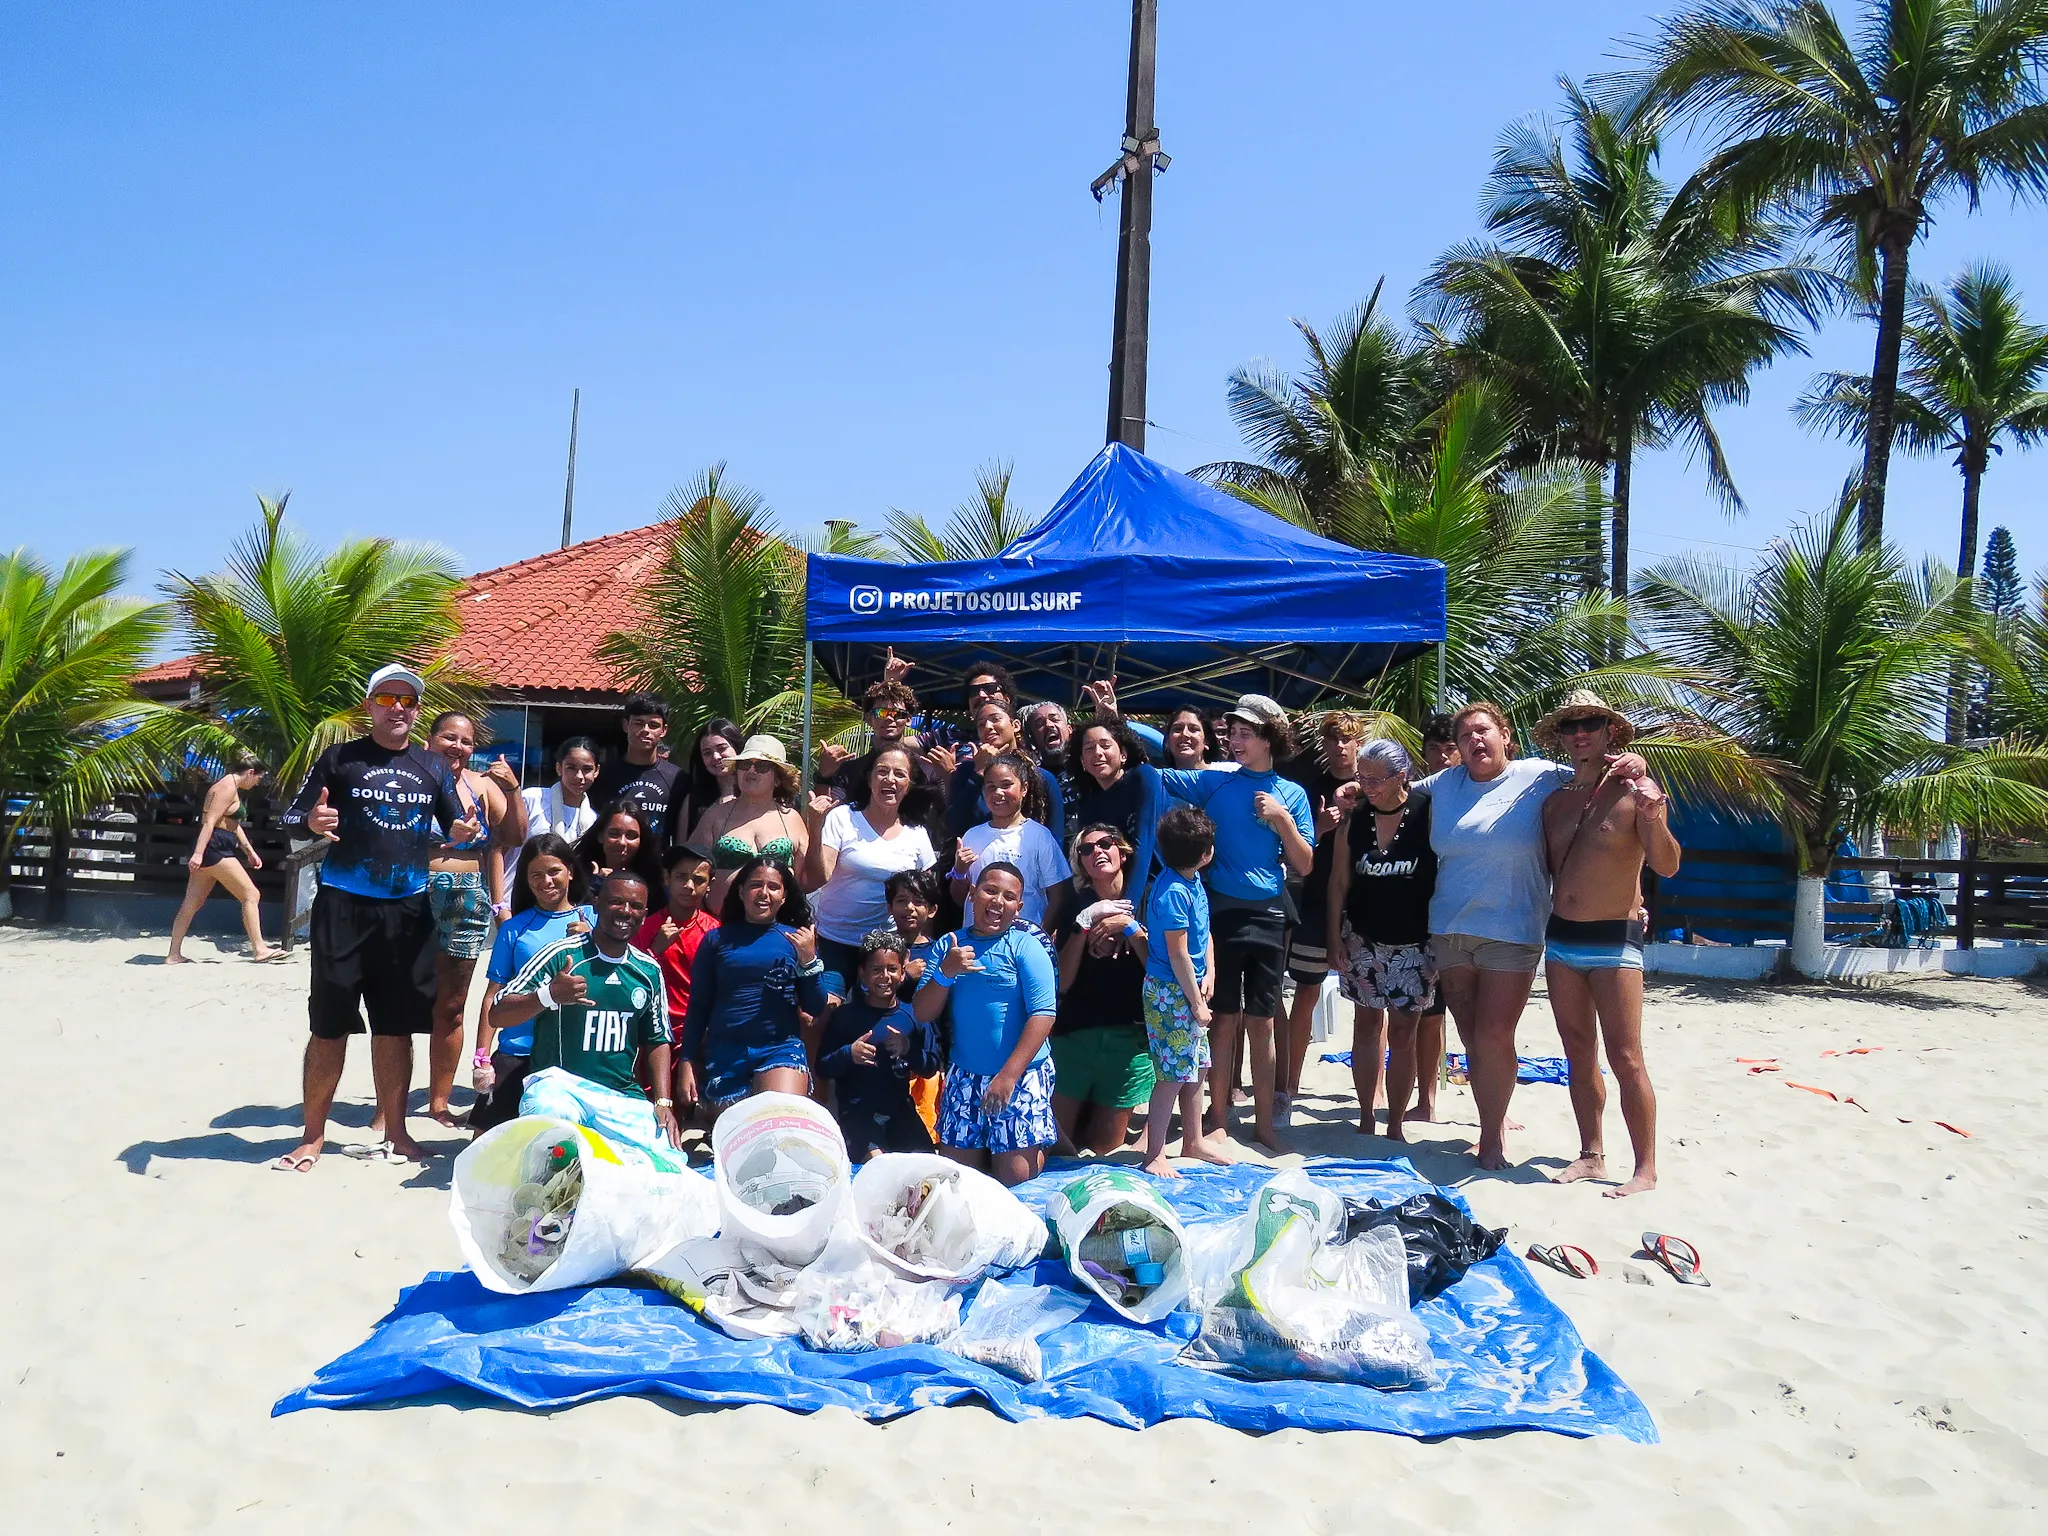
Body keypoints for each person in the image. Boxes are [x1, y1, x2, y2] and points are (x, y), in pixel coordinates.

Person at [1418, 701, 1645, 1171]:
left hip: (1515, 927)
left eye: (1483, 731)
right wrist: (1359, 786)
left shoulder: (1541, 774)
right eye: (1464, 737)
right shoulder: (1444, 784)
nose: (1474, 741)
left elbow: (1597, 772)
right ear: (1456, 749)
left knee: (1496, 1034)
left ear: (1505, 735)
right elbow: (1394, 793)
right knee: (1471, 1036)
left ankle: (1492, 1140)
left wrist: (1637, 764)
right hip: (1450, 927)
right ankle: (1493, 1120)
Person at [273, 663, 479, 1170]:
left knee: (396, 1026)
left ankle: (400, 1133)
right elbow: (290, 818)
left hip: (409, 910)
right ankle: (313, 1136)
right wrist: (311, 820)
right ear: (369, 706)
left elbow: (455, 825)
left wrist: (465, 831)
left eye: (408, 701)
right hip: (344, 906)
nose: (398, 709)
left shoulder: (431, 766)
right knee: (329, 1025)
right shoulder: (340, 759)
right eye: (387, 699)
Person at [1535, 692, 1680, 1198]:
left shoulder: (1637, 790)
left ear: (1609, 732)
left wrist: (1655, 815)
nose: (1581, 732)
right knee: (1578, 1053)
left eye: (1591, 723)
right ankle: (1591, 1153)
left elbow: (1667, 864)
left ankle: (1646, 1168)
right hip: (1562, 940)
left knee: (1627, 1057)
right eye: (1571, 724)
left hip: (1615, 940)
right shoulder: (1554, 799)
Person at [1160, 693, 1314, 1153]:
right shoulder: (1215, 783)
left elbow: (1304, 864)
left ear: (1270, 738)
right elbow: (1154, 762)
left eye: (1247, 733)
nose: (1235, 740)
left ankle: (1265, 1123)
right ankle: (1220, 1117)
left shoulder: (1292, 794)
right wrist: (1113, 719)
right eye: (1232, 732)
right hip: (1221, 912)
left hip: (1268, 913)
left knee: (1263, 1022)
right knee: (1223, 1020)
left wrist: (1282, 820)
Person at [489, 871, 680, 1155]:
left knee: (668, 1158)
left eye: (635, 906)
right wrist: (549, 995)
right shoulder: (561, 955)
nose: (626, 912)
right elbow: (497, 1013)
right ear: (597, 903)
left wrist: (663, 1103)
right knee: (554, 1133)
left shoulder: (648, 970)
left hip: (618, 1096)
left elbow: (657, 1040)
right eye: (616, 902)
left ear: (644, 913)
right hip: (560, 1088)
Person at [915, 862, 1059, 1187]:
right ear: (972, 893)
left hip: (1019, 1074)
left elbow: (1044, 1014)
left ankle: (1041, 1136)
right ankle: (1023, 1136)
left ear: (1018, 908)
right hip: (965, 1074)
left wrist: (1008, 1076)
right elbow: (923, 1013)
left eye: (1009, 897)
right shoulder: (948, 945)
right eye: (990, 890)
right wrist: (945, 972)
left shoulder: (1026, 946)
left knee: (1015, 1180)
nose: (997, 902)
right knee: (957, 1181)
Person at [1327, 739, 1438, 1141]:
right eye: (1362, 778)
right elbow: (1339, 882)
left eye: (1376, 779)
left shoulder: (1427, 812)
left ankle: (1395, 1122)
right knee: (1366, 1024)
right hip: (1362, 937)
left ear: (1401, 777)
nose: (1368, 786)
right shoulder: (1355, 819)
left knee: (1405, 1033)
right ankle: (1366, 1114)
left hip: (1415, 941)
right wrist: (1332, 938)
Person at [422, 711, 526, 1129]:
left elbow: (515, 836)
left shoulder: (481, 785)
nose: (458, 747)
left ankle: (438, 1101)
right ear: (429, 740)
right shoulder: (411, 777)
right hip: (411, 891)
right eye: (449, 738)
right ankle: (384, 1108)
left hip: (466, 897)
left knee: (451, 1004)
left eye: (466, 742)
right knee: (398, 1000)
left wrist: (513, 789)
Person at [676, 855, 827, 1118]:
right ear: (742, 891)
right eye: (756, 884)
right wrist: (687, 1061)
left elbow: (815, 1006)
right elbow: (698, 1006)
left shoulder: (798, 940)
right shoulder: (716, 939)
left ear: (784, 895)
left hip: (779, 1049)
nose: (764, 893)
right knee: (739, 1140)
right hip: (726, 1053)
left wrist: (808, 961)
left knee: (778, 1119)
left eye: (773, 887)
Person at [469, 833, 594, 1134]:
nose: (546, 881)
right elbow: (492, 996)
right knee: (485, 1147)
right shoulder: (514, 929)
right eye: (536, 875)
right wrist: (482, 1057)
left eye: (554, 871)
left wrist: (592, 938)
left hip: (572, 1053)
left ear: (571, 872)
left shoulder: (594, 921)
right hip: (518, 1051)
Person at [1278, 710, 1367, 1130]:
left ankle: (1376, 1091)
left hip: (1366, 903)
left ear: (1358, 743)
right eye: (1332, 739)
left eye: (1346, 739)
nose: (1339, 746)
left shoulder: (1377, 786)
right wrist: (1320, 826)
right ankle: (1290, 1086)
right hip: (1314, 902)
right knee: (1306, 994)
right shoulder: (1309, 788)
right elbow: (1294, 855)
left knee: (1372, 1004)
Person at [1051, 823, 1156, 1155]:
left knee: (1104, 1148)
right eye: (1086, 849)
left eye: (1106, 844)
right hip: (1076, 1033)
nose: (1097, 851)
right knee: (1058, 1145)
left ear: (1122, 852)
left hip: (1129, 1036)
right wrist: (1084, 926)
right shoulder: (1075, 904)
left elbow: (1158, 968)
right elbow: (1063, 982)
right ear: (1081, 862)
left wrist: (1129, 926)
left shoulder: (1149, 895)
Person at [803, 745, 938, 1002]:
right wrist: (816, 825)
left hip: (886, 947)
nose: (890, 779)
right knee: (822, 1010)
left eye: (899, 774)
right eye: (882, 772)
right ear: (869, 779)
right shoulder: (842, 817)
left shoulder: (917, 832)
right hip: (834, 940)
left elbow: (925, 899)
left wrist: (919, 948)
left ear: (909, 784)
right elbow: (818, 878)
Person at [1139, 807, 1230, 1176]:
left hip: (1192, 986)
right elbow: (1176, 953)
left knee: (1197, 1068)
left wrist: (1210, 973)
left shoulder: (1192, 881)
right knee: (1172, 1074)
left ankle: (1193, 1140)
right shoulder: (1171, 891)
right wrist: (1196, 1002)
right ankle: (1154, 1153)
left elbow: (1204, 934)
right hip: (1169, 991)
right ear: (1206, 853)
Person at [818, 929, 943, 1160]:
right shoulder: (846, 1016)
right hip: (857, 1113)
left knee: (929, 1167)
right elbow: (822, 1067)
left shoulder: (913, 1014)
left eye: (892, 969)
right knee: (879, 1165)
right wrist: (849, 1054)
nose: (884, 976)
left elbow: (932, 1066)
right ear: (862, 973)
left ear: (903, 973)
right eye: (876, 969)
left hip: (900, 1111)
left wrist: (909, 1050)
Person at [166, 751, 279, 963]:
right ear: (250, 772)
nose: (257, 783)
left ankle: (174, 954)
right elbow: (209, 822)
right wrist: (198, 854)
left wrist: (250, 851)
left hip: (214, 846)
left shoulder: (230, 787)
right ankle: (260, 949)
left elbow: (232, 825)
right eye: (258, 778)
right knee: (250, 894)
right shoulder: (226, 788)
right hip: (213, 847)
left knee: (193, 901)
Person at [950, 754, 1069, 930]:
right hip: (976, 945)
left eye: (1006, 785)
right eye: (991, 786)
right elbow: (960, 899)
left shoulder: (1039, 836)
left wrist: (1041, 937)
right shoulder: (972, 836)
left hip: (1022, 945)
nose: (998, 793)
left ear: (1024, 789)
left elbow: (1059, 895)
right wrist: (959, 872)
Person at [1063, 714, 1168, 911]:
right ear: (1082, 762)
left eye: (1105, 745)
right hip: (1117, 898)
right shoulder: (1088, 803)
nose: (1097, 753)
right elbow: (1089, 864)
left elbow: (1143, 842)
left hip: (1159, 890)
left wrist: (1127, 911)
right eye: (1089, 748)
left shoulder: (1143, 776)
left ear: (1123, 754)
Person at [692, 735, 808, 913]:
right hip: (721, 925)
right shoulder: (716, 815)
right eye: (745, 764)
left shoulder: (792, 819)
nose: (751, 770)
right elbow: (691, 869)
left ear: (778, 778)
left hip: (776, 926)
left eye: (761, 766)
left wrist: (817, 822)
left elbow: (804, 880)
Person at [937, 700, 1064, 842]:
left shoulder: (1042, 777)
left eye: (995, 719)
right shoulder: (967, 772)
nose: (988, 727)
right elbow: (954, 827)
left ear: (1015, 726)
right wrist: (978, 774)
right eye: (981, 724)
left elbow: (1055, 839)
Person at [634, 844, 720, 1032]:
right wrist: (655, 950)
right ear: (667, 878)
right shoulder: (643, 928)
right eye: (681, 877)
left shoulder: (716, 933)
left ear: (709, 885)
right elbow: (630, 980)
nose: (688, 886)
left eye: (698, 880)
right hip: (650, 1030)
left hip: (698, 1033)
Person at [592, 693, 686, 853]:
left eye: (653, 725)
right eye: (638, 723)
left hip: (657, 871)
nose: (645, 730)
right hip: (610, 869)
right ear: (625, 725)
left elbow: (681, 834)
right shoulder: (603, 775)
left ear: (664, 731)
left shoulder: (678, 779)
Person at [512, 736, 601, 889]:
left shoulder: (594, 820)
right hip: (515, 894)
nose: (579, 776)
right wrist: (499, 902)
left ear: (596, 771)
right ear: (559, 768)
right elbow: (499, 849)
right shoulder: (532, 799)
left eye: (587, 769)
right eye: (571, 767)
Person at [575, 806, 665, 905]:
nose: (622, 842)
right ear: (600, 836)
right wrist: (595, 887)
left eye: (631, 836)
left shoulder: (653, 881)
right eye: (614, 834)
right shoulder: (579, 875)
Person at [680, 718, 744, 838]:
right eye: (707, 753)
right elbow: (682, 846)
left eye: (722, 748)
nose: (715, 756)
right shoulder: (693, 801)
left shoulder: (757, 793)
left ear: (738, 748)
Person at [1022, 701, 1073, 777]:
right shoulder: (1033, 779)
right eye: (1039, 724)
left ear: (1069, 729)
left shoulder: (1089, 767)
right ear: (1033, 739)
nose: (1048, 725)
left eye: (1055, 719)